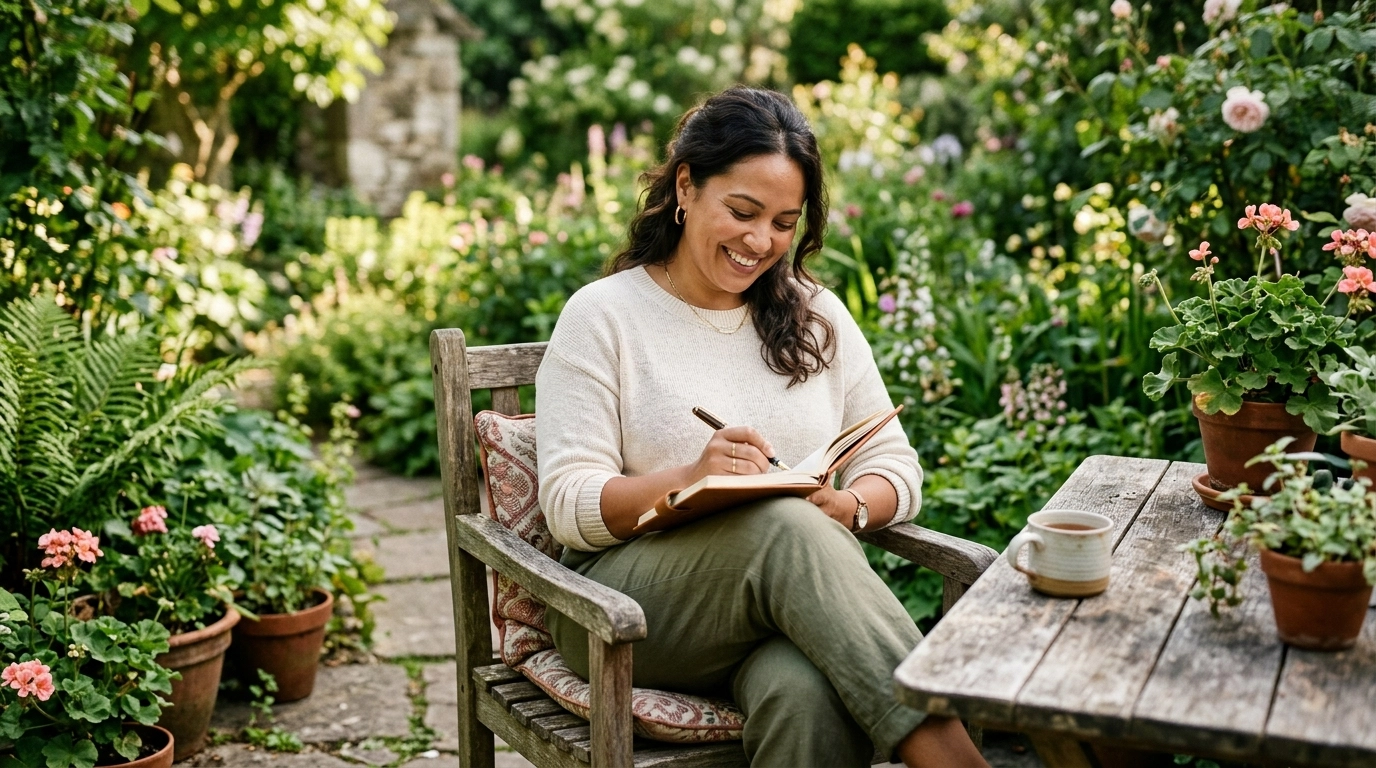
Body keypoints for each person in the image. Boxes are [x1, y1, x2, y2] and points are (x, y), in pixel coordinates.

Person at [535, 86, 988, 768]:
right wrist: (693, 478)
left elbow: (895, 465)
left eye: (783, 223)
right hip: (623, 610)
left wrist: (850, 506)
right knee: (783, 525)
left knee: (808, 695)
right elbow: (569, 505)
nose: (760, 242)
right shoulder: (604, 316)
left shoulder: (817, 315)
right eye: (742, 212)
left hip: (778, 609)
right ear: (685, 187)